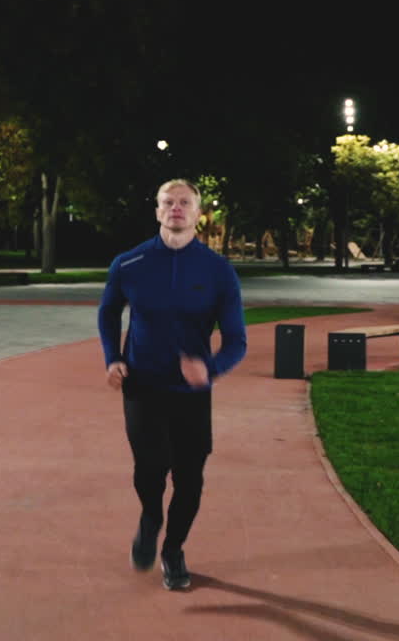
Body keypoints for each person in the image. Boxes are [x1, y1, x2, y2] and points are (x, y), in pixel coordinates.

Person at [97, 179, 247, 590]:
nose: (176, 208)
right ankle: (150, 519)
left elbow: (237, 340)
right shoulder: (129, 263)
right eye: (168, 202)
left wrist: (211, 370)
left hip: (191, 393)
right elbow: (109, 313)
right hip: (142, 385)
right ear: (157, 210)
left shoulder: (218, 271)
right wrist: (113, 357)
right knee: (150, 469)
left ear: (199, 214)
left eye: (185, 203)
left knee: (190, 477)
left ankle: (174, 549)